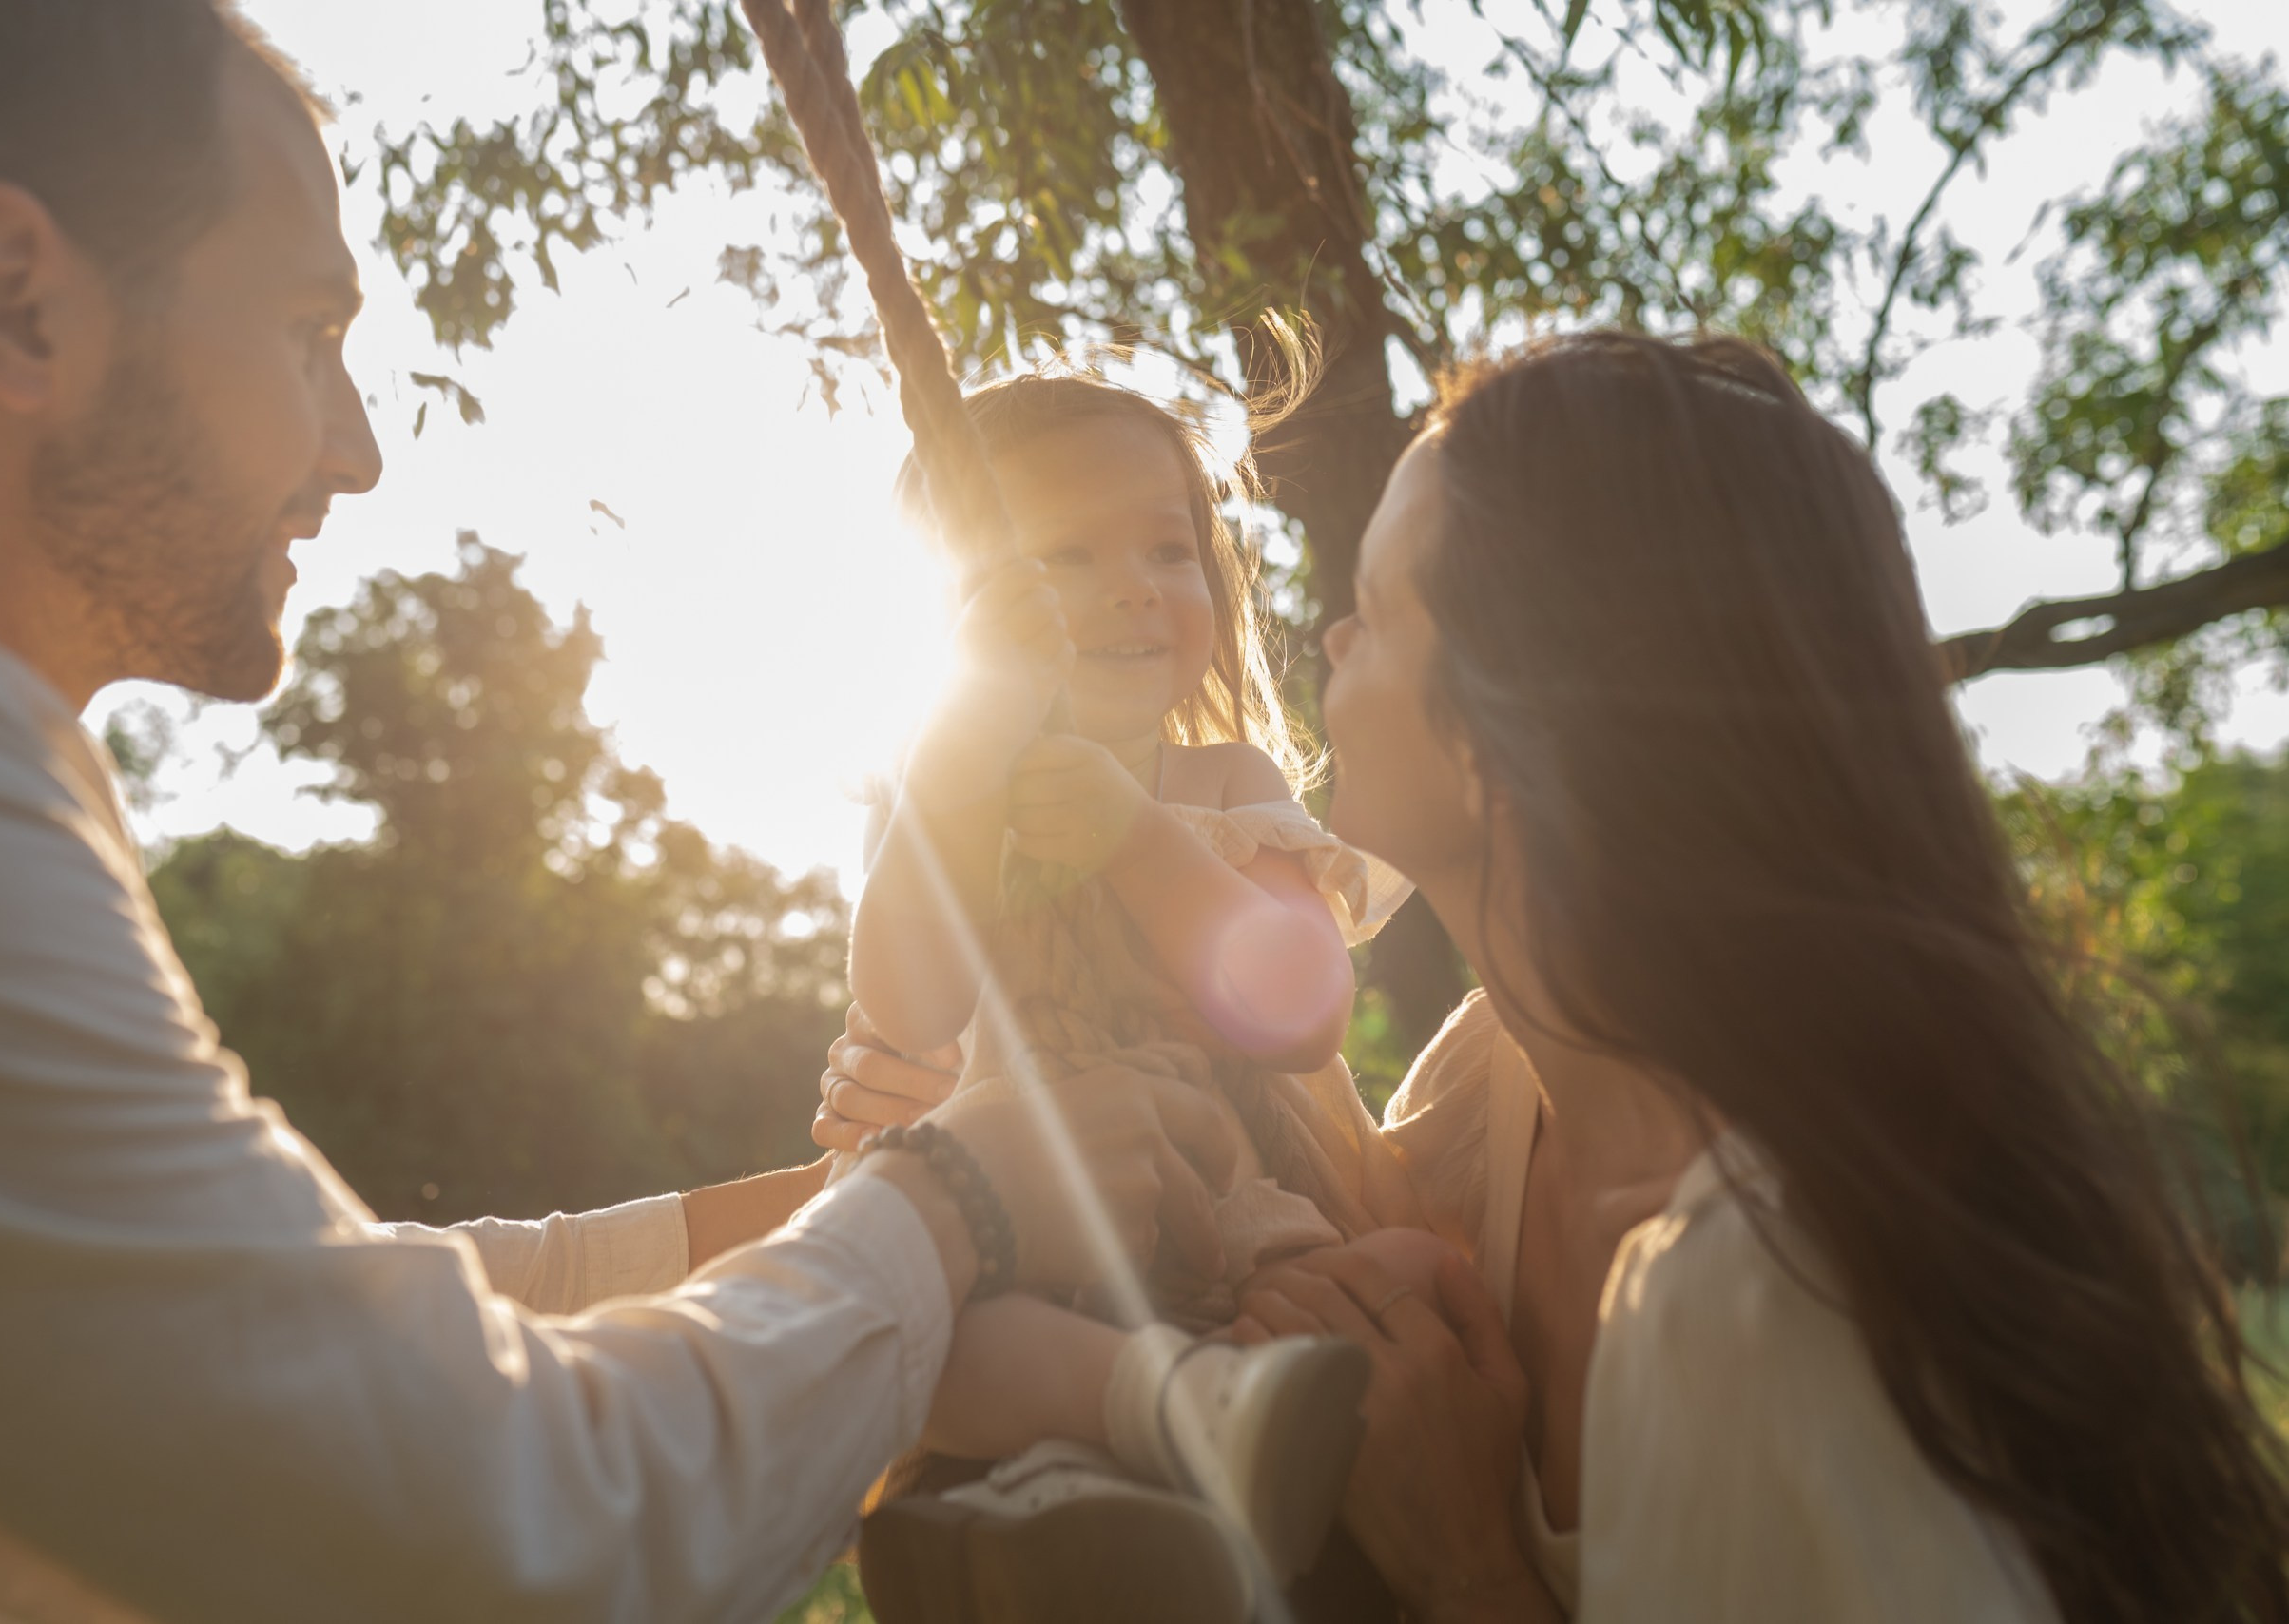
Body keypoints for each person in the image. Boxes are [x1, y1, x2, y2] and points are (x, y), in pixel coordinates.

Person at [0, 6, 1242, 1621]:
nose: (357, 451)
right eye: (311, 334)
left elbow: (312, 1314)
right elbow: (484, 1538)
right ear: (15, 305)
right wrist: (954, 1206)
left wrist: (875, 1194)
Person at [824, 335, 2289, 1622]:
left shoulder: (1771, 1290)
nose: (1327, 630)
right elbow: (1281, 1167)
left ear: (1520, 722)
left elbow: (1284, 1015)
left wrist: (1469, 1569)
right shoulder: (1490, 1093)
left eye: (1384, 608)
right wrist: (932, 1125)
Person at [837, 376, 1433, 1617]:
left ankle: (1203, 1439)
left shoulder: (1222, 779)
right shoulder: (948, 793)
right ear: (970, 610)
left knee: (1368, 1323)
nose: (1135, 584)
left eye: (1171, 547)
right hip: (1033, 1241)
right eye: (1068, 551)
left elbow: (1305, 1008)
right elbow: (908, 1004)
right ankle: (1114, 1458)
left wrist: (1135, 836)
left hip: (1231, 1239)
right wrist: (954, 769)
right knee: (928, 1345)